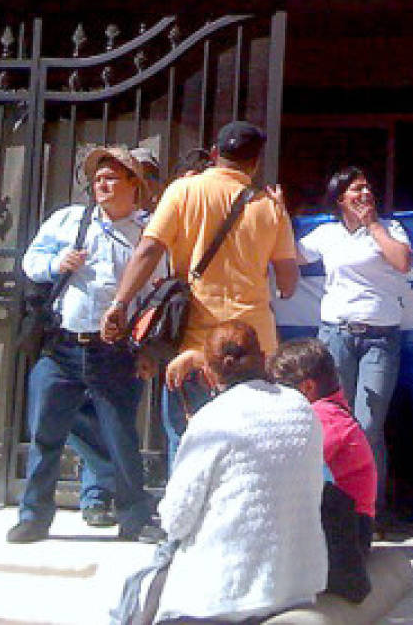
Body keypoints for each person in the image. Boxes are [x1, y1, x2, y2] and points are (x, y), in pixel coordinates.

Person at [102, 121, 300, 464]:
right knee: (249, 448)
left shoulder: (183, 190)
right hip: (255, 347)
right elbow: (288, 284)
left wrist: (120, 303)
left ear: (213, 155)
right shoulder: (270, 207)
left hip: (196, 344)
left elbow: (149, 250)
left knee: (189, 442)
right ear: (255, 163)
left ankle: (189, 515)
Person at [8, 146, 160, 544]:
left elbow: (157, 294)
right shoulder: (69, 220)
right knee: (45, 433)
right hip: (61, 348)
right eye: (97, 179)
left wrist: (149, 350)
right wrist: (56, 265)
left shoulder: (147, 233)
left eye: (111, 178)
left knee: (122, 437)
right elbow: (31, 261)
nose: (102, 185)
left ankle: (134, 517)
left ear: (133, 184)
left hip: (115, 352)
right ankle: (34, 516)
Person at [150, 323, 327, 623]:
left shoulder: (212, 419)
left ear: (208, 372)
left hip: (223, 594)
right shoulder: (302, 408)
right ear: (263, 356)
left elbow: (176, 520)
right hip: (297, 583)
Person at [298, 167, 413, 517]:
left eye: (368, 189)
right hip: (336, 337)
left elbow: (403, 262)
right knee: (330, 422)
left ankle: (367, 512)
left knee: (367, 425)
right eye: (356, 190)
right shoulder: (327, 233)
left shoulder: (390, 229)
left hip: (379, 340)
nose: (365, 195)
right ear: (340, 200)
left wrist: (373, 225)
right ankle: (328, 507)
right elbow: (288, 256)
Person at [268, 338, 377, 603]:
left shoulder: (325, 418)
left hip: (347, 534)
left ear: (307, 387)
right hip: (347, 527)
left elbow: (290, 465)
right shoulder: (330, 410)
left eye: (279, 388)